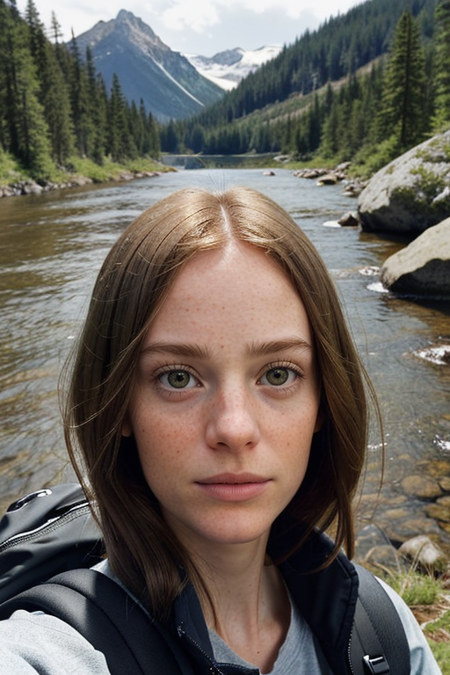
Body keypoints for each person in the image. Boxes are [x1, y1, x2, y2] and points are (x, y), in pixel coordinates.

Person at [0, 187, 441, 674]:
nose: (233, 428)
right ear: (119, 406)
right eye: (178, 378)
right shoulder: (52, 653)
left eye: (277, 374)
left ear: (323, 401)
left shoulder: (383, 630)